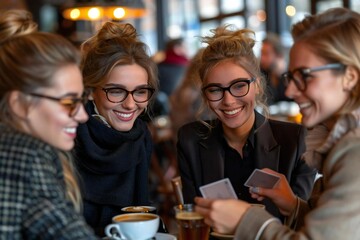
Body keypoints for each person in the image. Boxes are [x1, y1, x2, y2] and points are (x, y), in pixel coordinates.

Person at [194, 8, 360, 239]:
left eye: (305, 75)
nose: (290, 91)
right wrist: (293, 205)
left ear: (350, 77)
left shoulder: (354, 151)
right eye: (291, 77)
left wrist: (247, 221)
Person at [177, 24, 316, 221]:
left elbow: (301, 223)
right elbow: (195, 218)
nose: (228, 100)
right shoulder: (190, 140)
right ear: (205, 95)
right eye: (215, 90)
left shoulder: (295, 141)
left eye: (239, 86)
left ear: (257, 85)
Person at [0, 9, 97, 239]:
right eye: (68, 101)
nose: (83, 115)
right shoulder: (27, 154)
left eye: (81, 99)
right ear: (20, 104)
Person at [72, 22, 158, 236]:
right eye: (116, 91)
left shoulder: (141, 137)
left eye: (140, 92)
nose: (130, 104)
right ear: (91, 91)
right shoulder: (68, 136)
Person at [260, 33, 290, 104]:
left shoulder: (289, 75)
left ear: (278, 55)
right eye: (261, 53)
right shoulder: (262, 73)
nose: (262, 58)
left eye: (266, 54)